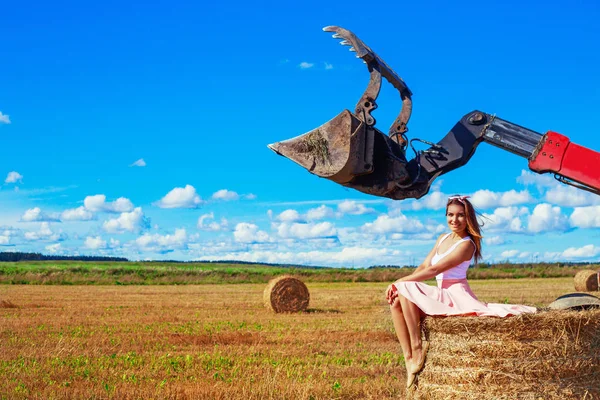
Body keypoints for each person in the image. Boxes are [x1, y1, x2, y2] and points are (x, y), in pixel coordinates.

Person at [385, 195, 536, 388]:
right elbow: (424, 265)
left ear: (468, 218)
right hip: (441, 293)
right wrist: (399, 286)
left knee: (404, 287)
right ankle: (408, 357)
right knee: (397, 299)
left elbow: (434, 270)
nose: (454, 220)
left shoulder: (467, 245)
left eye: (460, 216)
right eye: (450, 215)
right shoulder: (442, 238)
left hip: (456, 296)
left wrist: (398, 282)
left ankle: (417, 348)